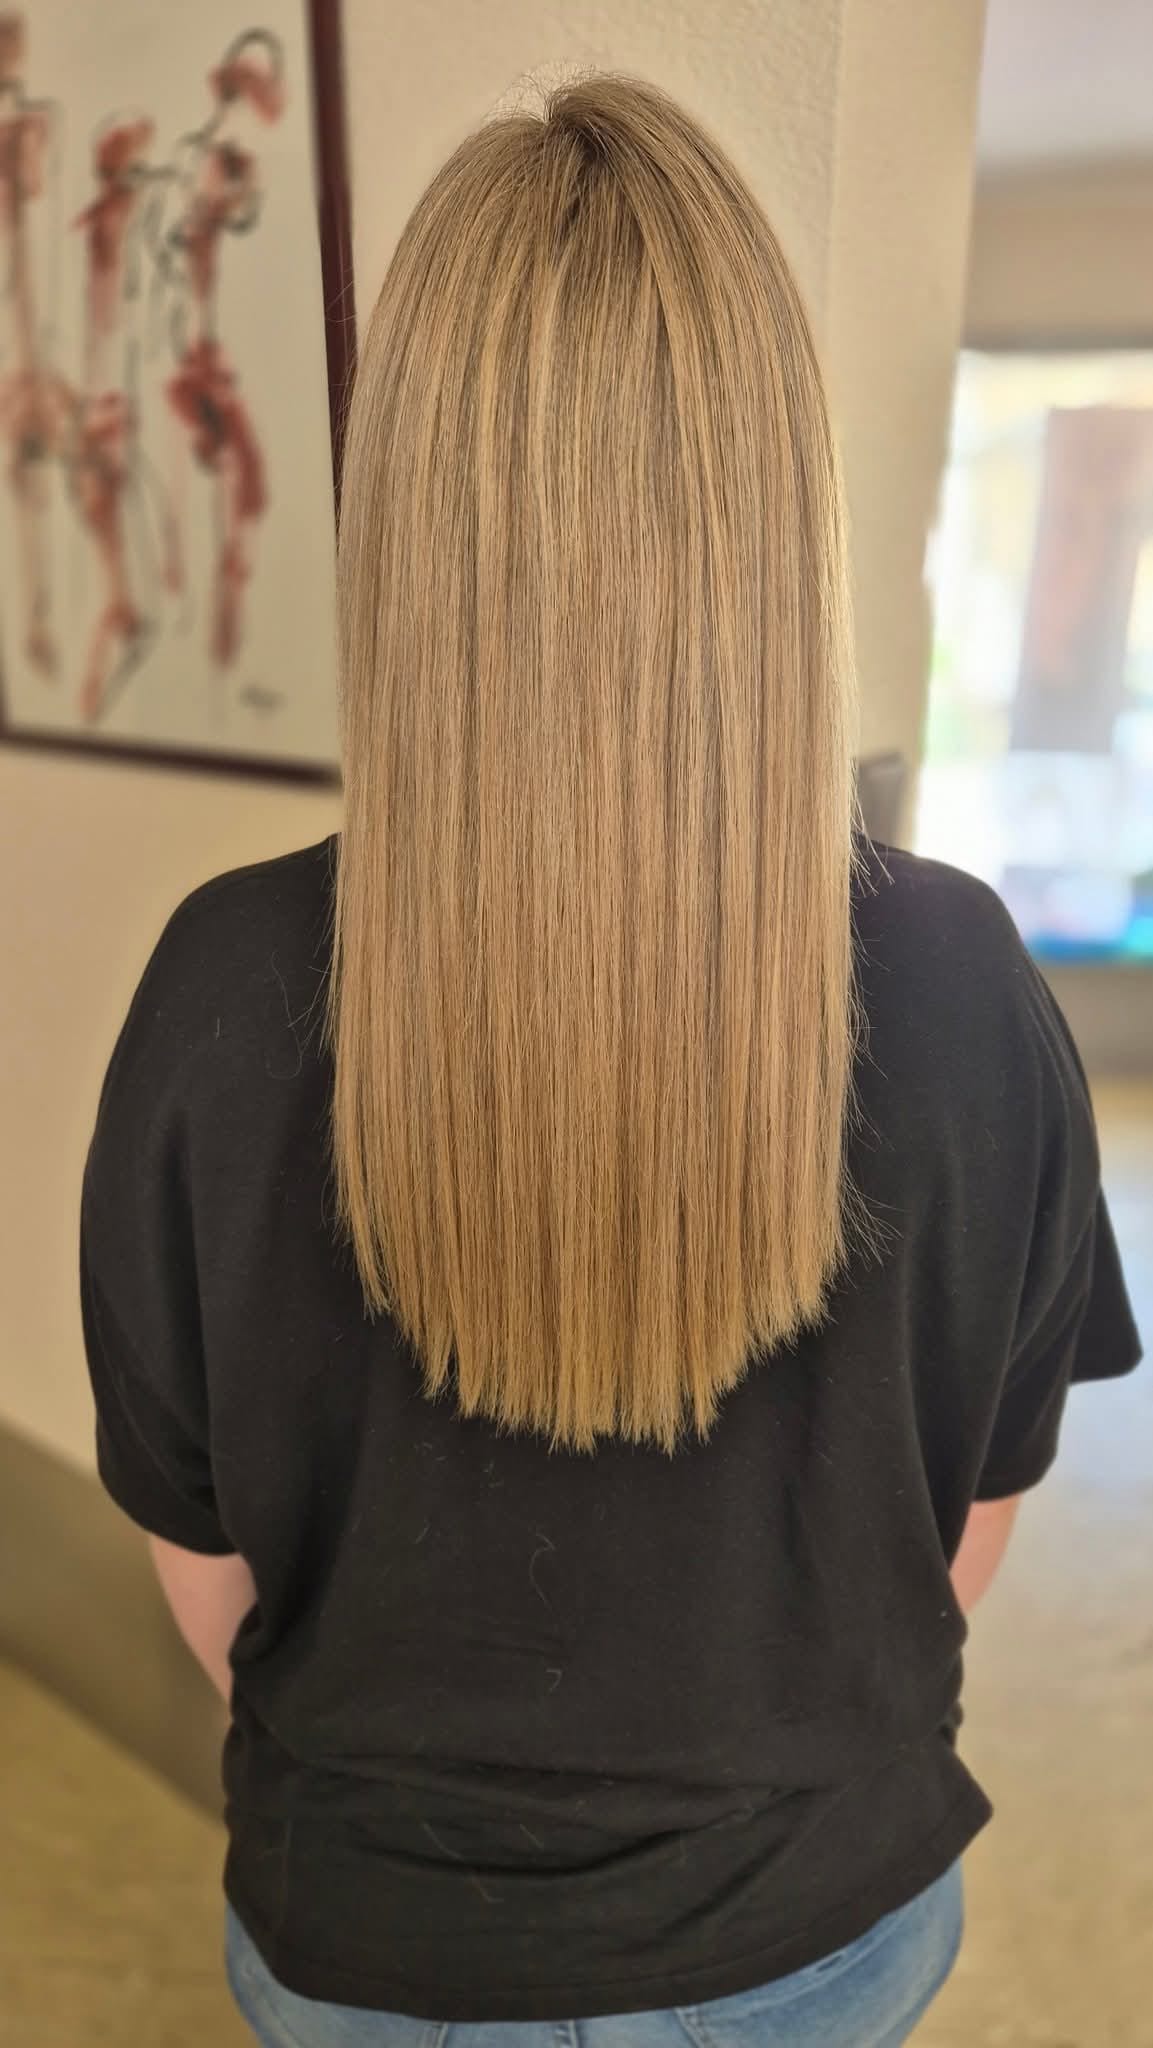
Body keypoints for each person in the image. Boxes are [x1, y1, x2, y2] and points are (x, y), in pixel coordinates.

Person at [80, 76, 1141, 2048]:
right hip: (817, 1930)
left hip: (366, 1943)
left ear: (406, 512)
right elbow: (965, 1529)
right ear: (775, 513)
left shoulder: (224, 989)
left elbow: (200, 1560)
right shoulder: (962, 987)